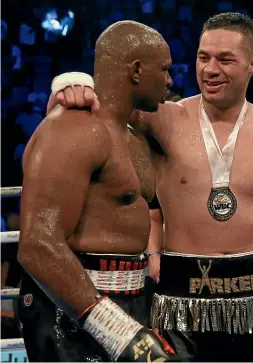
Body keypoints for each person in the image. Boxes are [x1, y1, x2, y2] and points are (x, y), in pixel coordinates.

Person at [47, 12, 253, 362]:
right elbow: (98, 108)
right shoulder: (161, 119)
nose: (210, 69)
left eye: (225, 59)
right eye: (203, 57)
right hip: (185, 301)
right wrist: (73, 83)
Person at [17, 20, 180, 362]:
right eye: (164, 69)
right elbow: (37, 244)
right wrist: (116, 328)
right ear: (136, 70)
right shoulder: (73, 129)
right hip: (72, 308)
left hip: (130, 298)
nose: (170, 80)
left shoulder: (134, 135)